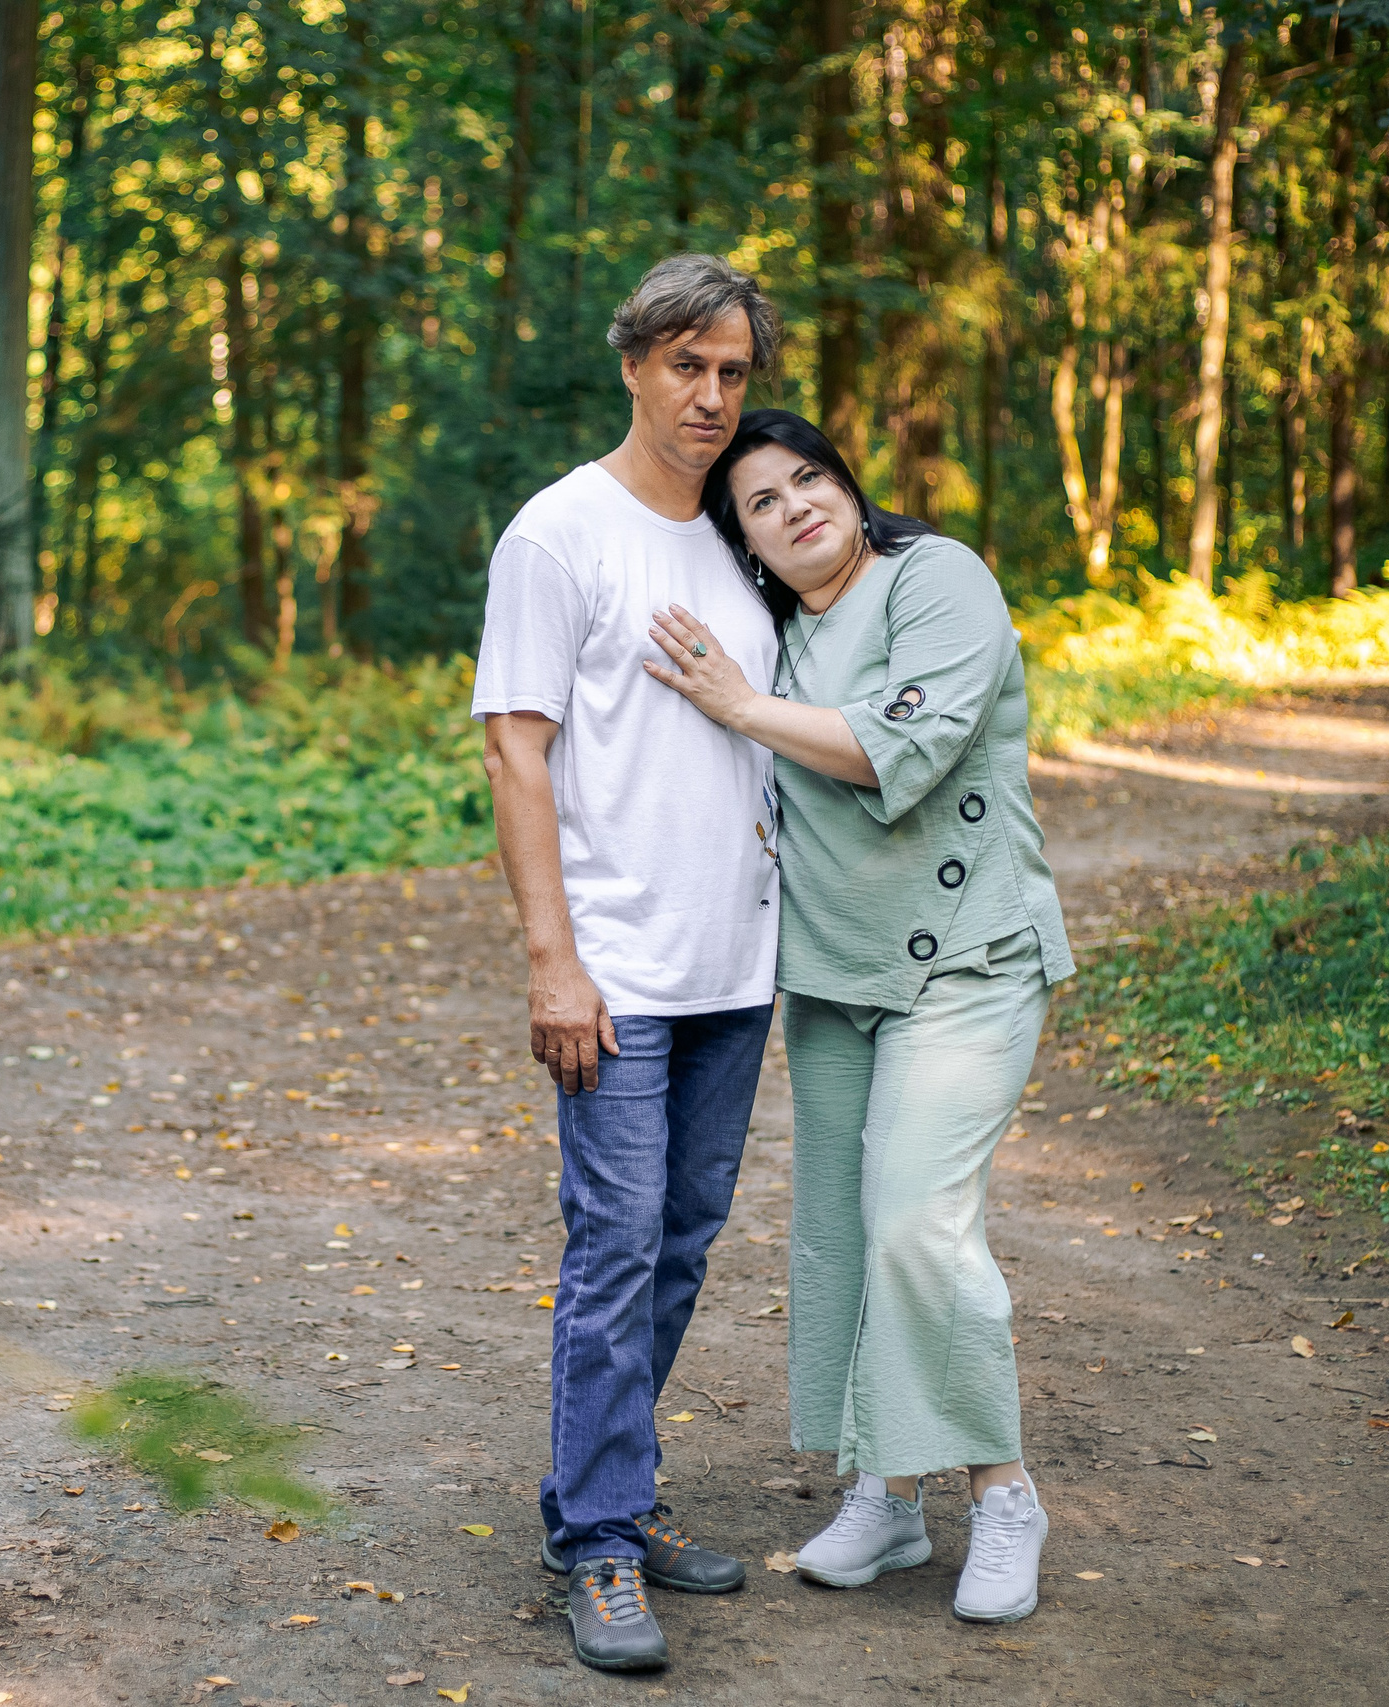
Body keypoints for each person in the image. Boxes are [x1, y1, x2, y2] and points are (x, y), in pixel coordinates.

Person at [639, 408, 1074, 1625]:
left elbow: (906, 747)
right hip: (831, 975)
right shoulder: (770, 632)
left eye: (806, 478)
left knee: (913, 1225)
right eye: (760, 507)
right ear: (749, 549)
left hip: (967, 960)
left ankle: (1003, 1492)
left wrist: (739, 706)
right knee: (837, 1235)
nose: (793, 508)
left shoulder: (936, 578)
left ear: (845, 481)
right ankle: (883, 1494)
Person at [473, 255, 784, 1675]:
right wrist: (556, 963)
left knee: (681, 1242)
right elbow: (514, 745)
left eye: (731, 371)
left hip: (737, 961)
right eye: (686, 366)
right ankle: (598, 1542)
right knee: (613, 1247)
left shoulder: (741, 532)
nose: (711, 395)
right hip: (618, 972)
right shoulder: (559, 533)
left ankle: (600, 1490)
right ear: (633, 365)